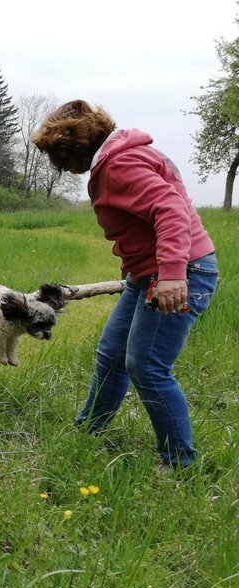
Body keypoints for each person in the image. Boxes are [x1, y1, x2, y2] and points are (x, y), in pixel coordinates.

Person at [31, 100, 219, 468]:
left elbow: (170, 209)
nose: (61, 167)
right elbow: (138, 224)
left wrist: (171, 273)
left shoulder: (119, 163)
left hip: (181, 272)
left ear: (74, 147)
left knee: (147, 366)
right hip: (147, 274)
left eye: (59, 157)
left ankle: (179, 463)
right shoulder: (117, 158)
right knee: (112, 355)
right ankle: (89, 432)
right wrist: (134, 266)